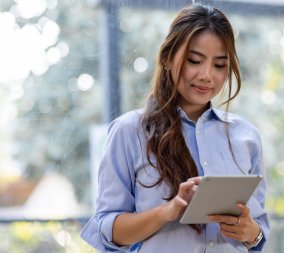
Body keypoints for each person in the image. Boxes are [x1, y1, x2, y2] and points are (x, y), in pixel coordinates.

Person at [81, 3, 269, 253]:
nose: (206, 75)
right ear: (168, 58)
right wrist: (167, 211)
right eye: (195, 60)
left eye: (219, 65)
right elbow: (106, 230)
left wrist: (251, 233)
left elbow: (258, 232)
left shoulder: (246, 136)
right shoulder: (129, 131)